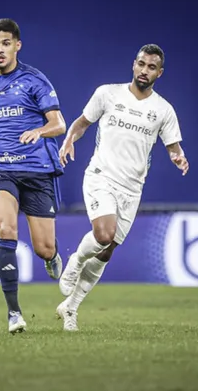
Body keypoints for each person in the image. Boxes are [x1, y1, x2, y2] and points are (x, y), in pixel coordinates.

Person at [55, 44, 189, 331]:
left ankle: (71, 309)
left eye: (151, 67)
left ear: (159, 73)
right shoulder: (108, 94)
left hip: (132, 189)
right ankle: (76, 260)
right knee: (104, 234)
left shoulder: (163, 110)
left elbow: (173, 146)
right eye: (141, 64)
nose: (144, 70)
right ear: (133, 64)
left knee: (105, 252)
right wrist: (69, 140)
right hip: (101, 176)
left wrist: (178, 156)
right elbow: (82, 123)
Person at [0, 18, 67, 334]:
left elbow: (59, 123)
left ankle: (52, 256)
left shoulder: (35, 80)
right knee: (7, 227)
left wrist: (39, 130)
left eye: (6, 43)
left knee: (44, 248)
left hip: (35, 169)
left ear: (17, 45)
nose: (0, 49)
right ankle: (14, 313)